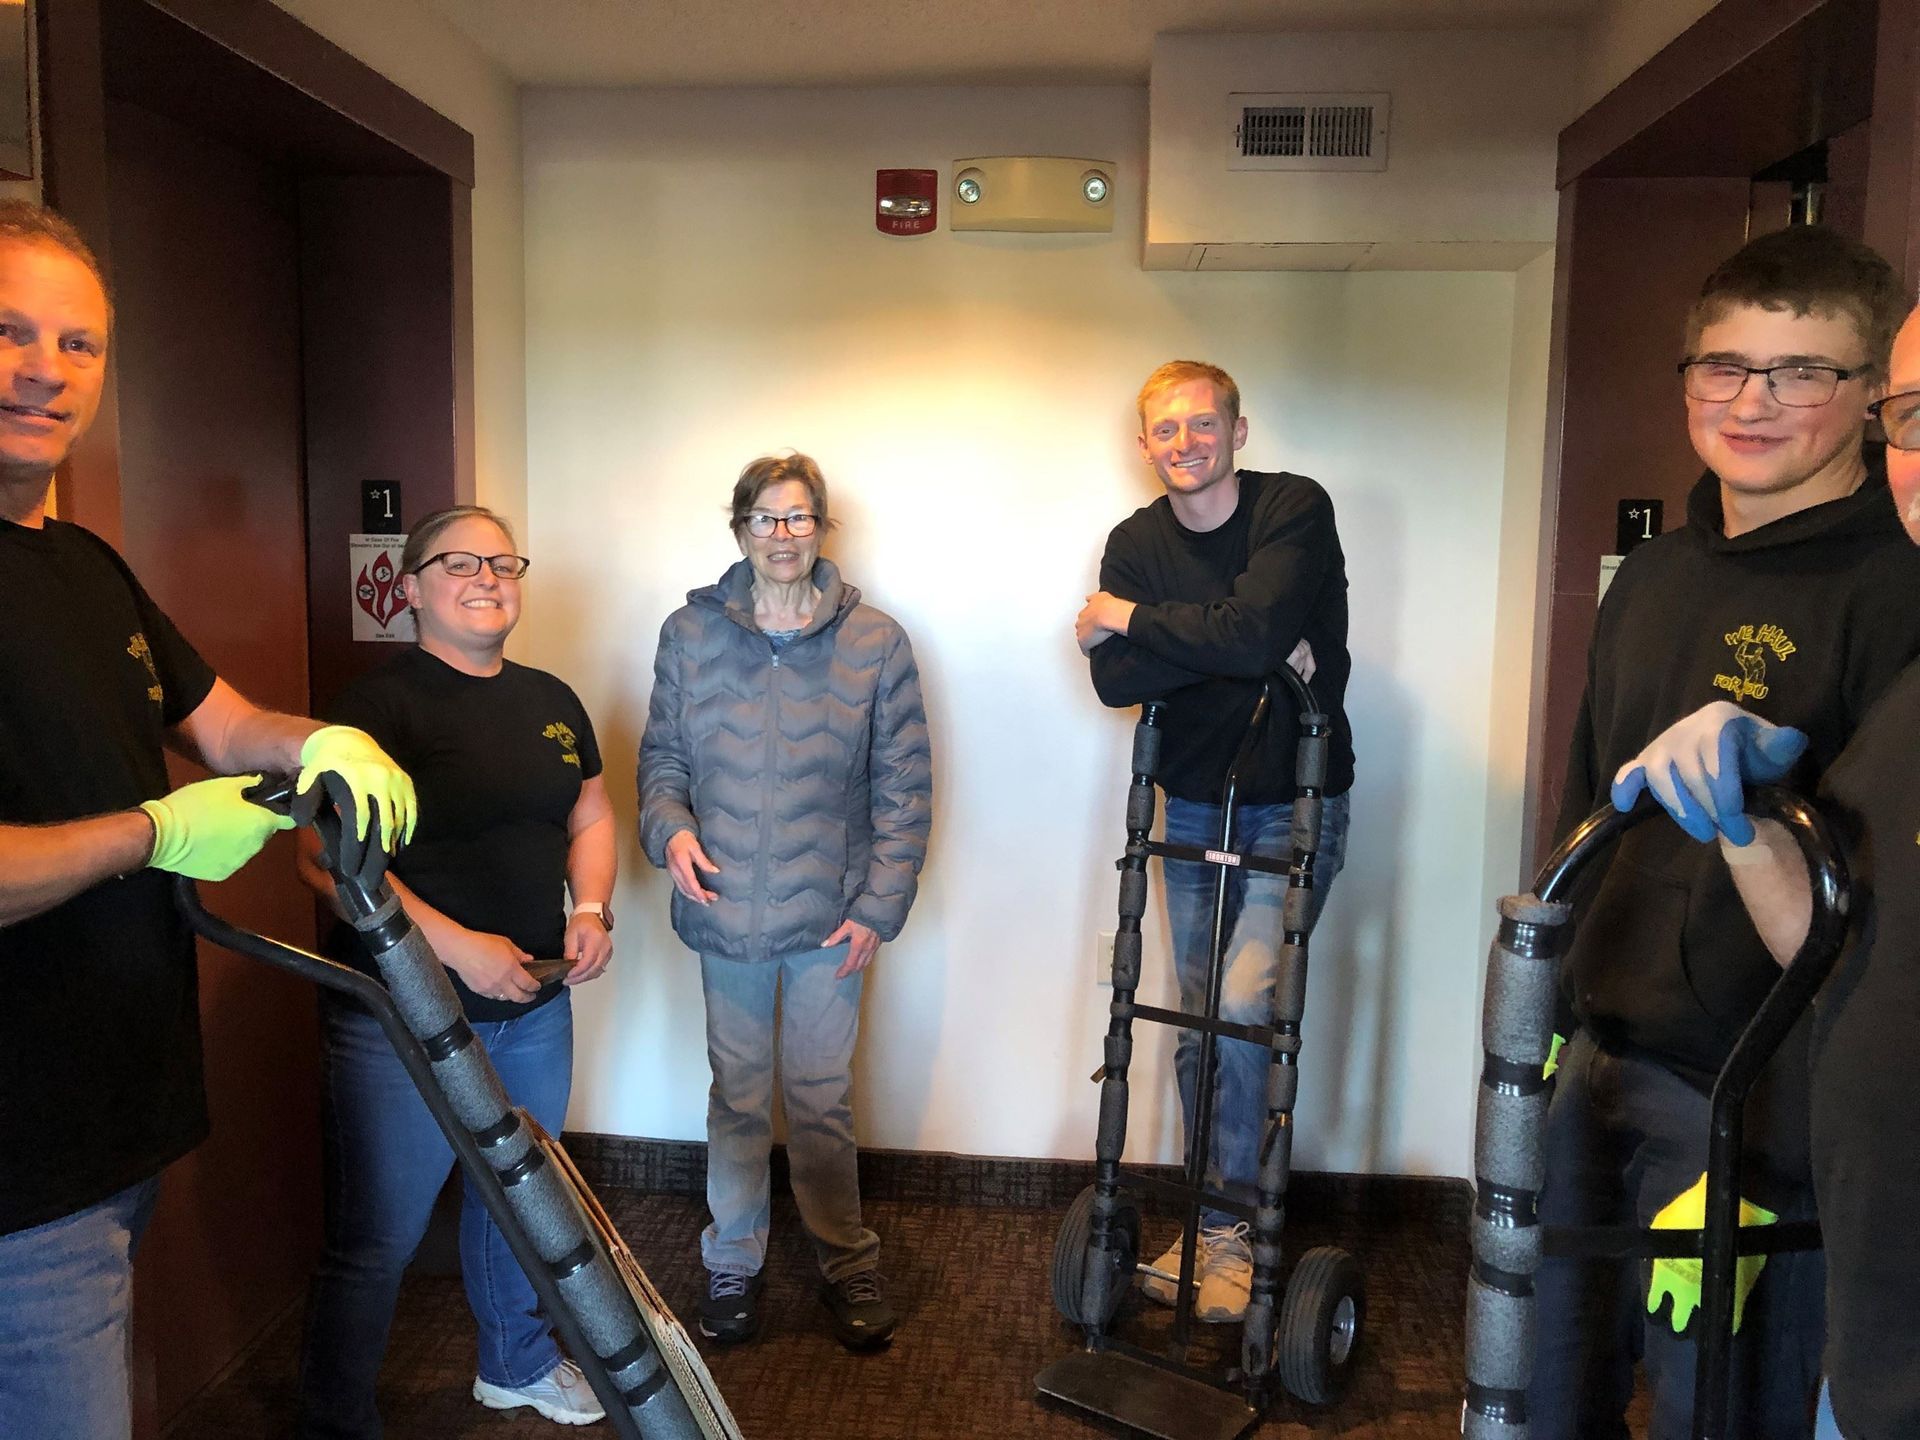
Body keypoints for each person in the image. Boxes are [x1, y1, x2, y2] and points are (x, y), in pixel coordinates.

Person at [0, 200, 415, 1440]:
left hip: (115, 1115)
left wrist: (321, 738)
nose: (46, 370)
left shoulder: (82, 567)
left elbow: (224, 723)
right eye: (10, 332)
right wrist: (152, 831)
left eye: (79, 345)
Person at [1530, 225, 1920, 1440]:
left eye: (1803, 372)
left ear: (1869, 403)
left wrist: (1786, 1146)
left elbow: (1876, 923)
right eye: (1725, 366)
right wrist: (1543, 1012)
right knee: (1546, 1394)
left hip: (1754, 1111)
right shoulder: (1652, 575)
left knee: (1718, 1415)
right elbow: (1589, 791)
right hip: (1597, 1064)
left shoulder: (1897, 584)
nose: (1754, 402)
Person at [293, 506, 616, 1435]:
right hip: (402, 1016)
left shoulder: (552, 699)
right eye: (460, 562)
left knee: (521, 1199)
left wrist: (589, 909)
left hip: (532, 1007)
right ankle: (335, 1414)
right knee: (380, 1237)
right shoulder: (379, 706)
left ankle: (512, 1366)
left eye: (503, 561)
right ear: (411, 587)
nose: (487, 578)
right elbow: (321, 861)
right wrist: (455, 944)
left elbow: (589, 816)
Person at [1077, 359, 1356, 1323]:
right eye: (1165, 431)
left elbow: (1229, 639)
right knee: (1196, 1016)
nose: (1185, 445)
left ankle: (1238, 1231)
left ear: (1237, 432)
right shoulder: (1136, 539)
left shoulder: (1294, 510)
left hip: (1294, 799)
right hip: (1191, 803)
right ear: (1144, 444)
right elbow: (1117, 684)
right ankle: (1210, 1221)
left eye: (1203, 426)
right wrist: (1241, 650)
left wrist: (1135, 624)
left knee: (1244, 1005)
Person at [639, 452, 931, 1350]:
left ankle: (846, 1263)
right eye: (766, 519)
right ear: (739, 530)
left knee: (818, 1099)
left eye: (800, 518)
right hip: (723, 910)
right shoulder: (689, 636)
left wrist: (879, 906)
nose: (783, 535)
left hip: (829, 918)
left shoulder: (875, 641)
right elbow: (663, 765)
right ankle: (733, 1268)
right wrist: (672, 833)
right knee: (737, 1096)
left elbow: (904, 788)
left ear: (822, 529)